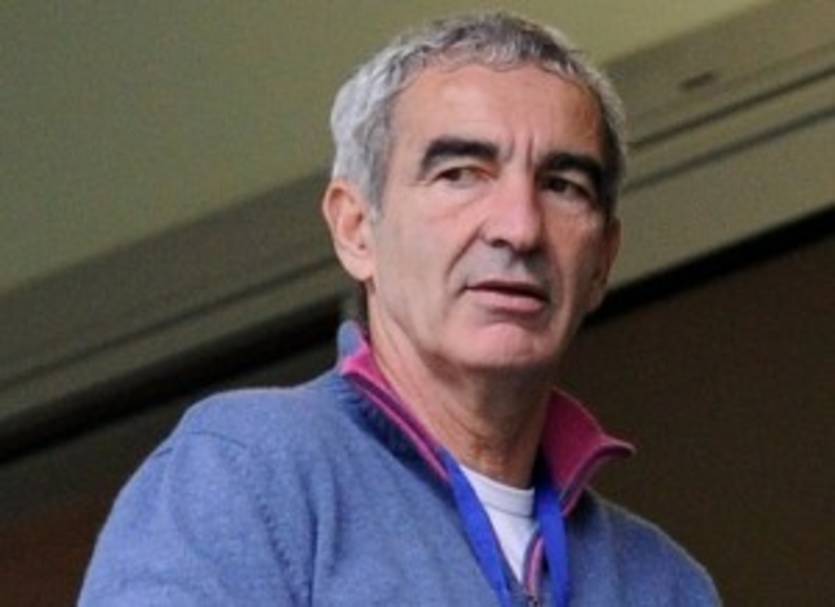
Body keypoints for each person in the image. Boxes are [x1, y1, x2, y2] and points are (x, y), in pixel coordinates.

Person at [80, 12, 720, 606]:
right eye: (460, 173)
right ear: (356, 229)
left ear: (603, 260)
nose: (520, 228)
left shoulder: (664, 586)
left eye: (562, 185)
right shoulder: (247, 469)